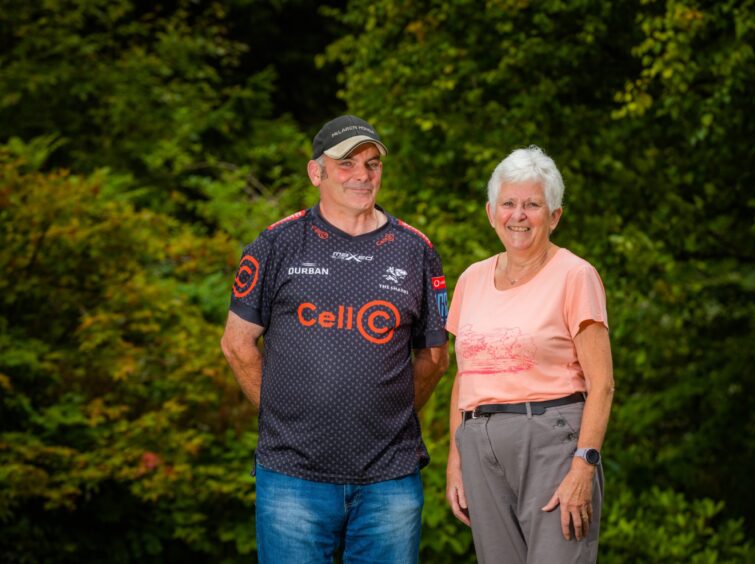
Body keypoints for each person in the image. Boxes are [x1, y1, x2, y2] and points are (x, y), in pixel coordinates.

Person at [220, 115, 450, 563]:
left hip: (389, 479)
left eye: (372, 164)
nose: (362, 175)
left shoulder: (417, 250)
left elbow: (435, 357)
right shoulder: (275, 245)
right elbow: (236, 343)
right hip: (292, 476)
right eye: (346, 164)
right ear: (316, 173)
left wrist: (386, 417)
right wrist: (281, 417)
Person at [444, 146, 614, 563]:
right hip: (479, 447)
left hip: (551, 443)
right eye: (509, 203)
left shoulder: (576, 275)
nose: (518, 215)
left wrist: (583, 465)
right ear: (490, 211)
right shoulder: (471, 278)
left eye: (533, 205)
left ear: (554, 216)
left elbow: (603, 384)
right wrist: (455, 459)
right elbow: (465, 377)